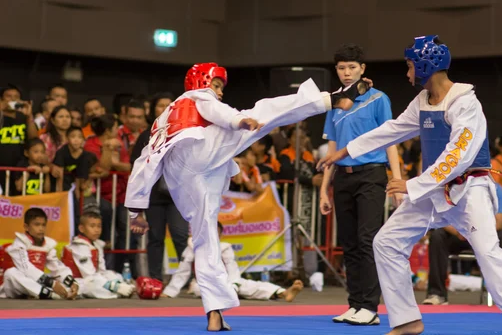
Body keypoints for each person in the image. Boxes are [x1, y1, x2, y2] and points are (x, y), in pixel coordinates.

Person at [125, 62, 370, 331]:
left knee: (205, 238)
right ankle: (331, 99)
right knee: (262, 113)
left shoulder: (162, 121)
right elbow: (215, 110)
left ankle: (214, 310)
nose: (219, 92)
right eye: (216, 85)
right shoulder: (196, 97)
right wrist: (237, 120)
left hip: (181, 178)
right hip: (200, 152)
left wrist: (136, 209)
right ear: (202, 82)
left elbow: (144, 162)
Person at [318, 36, 502, 335]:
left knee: (489, 255)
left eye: (409, 67)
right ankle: (407, 321)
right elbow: (393, 129)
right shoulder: (422, 101)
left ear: (424, 66)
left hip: (467, 190)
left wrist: (412, 184)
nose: (406, 74)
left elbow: (457, 156)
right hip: (431, 192)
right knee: (386, 242)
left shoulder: (465, 103)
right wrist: (348, 149)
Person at [319, 44, 402, 325]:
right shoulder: (334, 103)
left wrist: (397, 179)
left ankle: (370, 307)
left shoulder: (379, 99)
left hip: (371, 175)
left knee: (367, 240)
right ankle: (355, 305)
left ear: (362, 69)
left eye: (352, 67)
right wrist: (323, 189)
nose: (346, 73)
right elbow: (332, 148)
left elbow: (390, 138)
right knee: (349, 244)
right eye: (342, 68)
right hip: (342, 176)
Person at [162, 222, 304, 302]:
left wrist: (233, 286)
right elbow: (183, 271)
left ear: (220, 235)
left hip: (226, 281)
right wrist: (170, 291)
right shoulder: (193, 247)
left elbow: (233, 270)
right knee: (201, 289)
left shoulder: (225, 248)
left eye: (215, 233)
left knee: (250, 285)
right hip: (202, 283)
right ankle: (226, 293)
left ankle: (284, 293)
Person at [129, 92, 188, 282]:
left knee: (180, 236)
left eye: (168, 105)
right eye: (160, 105)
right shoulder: (147, 135)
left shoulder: (184, 132)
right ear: (153, 110)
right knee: (155, 237)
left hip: (177, 195)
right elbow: (136, 164)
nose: (164, 109)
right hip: (154, 195)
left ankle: (190, 279)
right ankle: (156, 279)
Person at [423, 184, 502, 305]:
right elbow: (440, 217)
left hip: (484, 234)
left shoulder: (494, 188)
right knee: (437, 237)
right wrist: (458, 231)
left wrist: (475, 232)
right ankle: (437, 293)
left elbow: (499, 222)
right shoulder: (451, 186)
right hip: (459, 235)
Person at [0, 208, 79, 300]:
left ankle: (46, 293)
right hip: (15, 287)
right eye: (37, 225)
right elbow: (26, 268)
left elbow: (57, 267)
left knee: (73, 284)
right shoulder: (19, 244)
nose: (41, 228)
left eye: (43, 225)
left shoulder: (48, 244)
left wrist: (72, 283)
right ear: (26, 227)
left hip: (37, 283)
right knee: (11, 273)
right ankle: (50, 294)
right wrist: (52, 284)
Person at [61, 211, 136, 299]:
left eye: (99, 226)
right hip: (78, 282)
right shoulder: (78, 246)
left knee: (114, 275)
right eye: (92, 226)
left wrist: (113, 280)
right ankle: (117, 292)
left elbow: (102, 271)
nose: (96, 230)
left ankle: (121, 289)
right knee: (93, 286)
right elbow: (89, 275)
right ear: (81, 228)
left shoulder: (97, 245)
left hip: (93, 279)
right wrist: (113, 286)